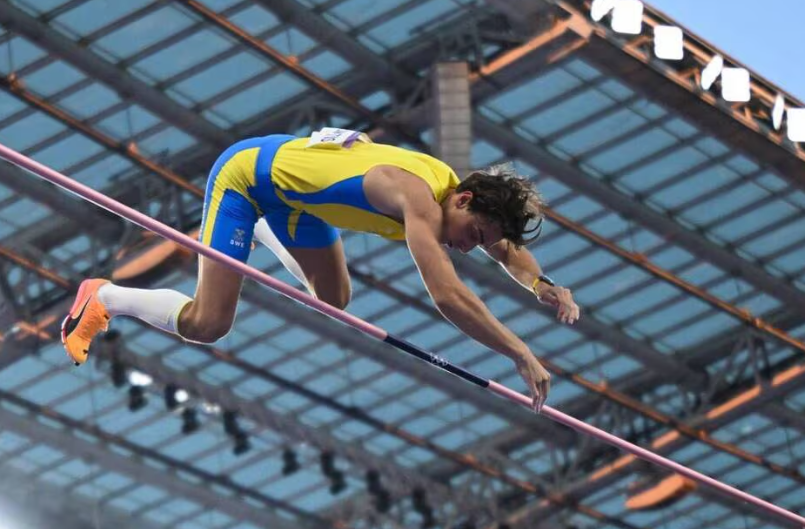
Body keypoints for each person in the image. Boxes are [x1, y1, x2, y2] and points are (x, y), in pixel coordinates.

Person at [61, 129, 580, 412]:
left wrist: (542, 284)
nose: (471, 248)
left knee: (333, 301)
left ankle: (265, 233)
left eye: (480, 242)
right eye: (473, 235)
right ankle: (105, 297)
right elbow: (446, 294)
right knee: (208, 324)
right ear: (464, 199)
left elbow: (507, 249)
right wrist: (519, 352)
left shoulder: (450, 192)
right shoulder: (416, 199)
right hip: (248, 180)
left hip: (298, 202)